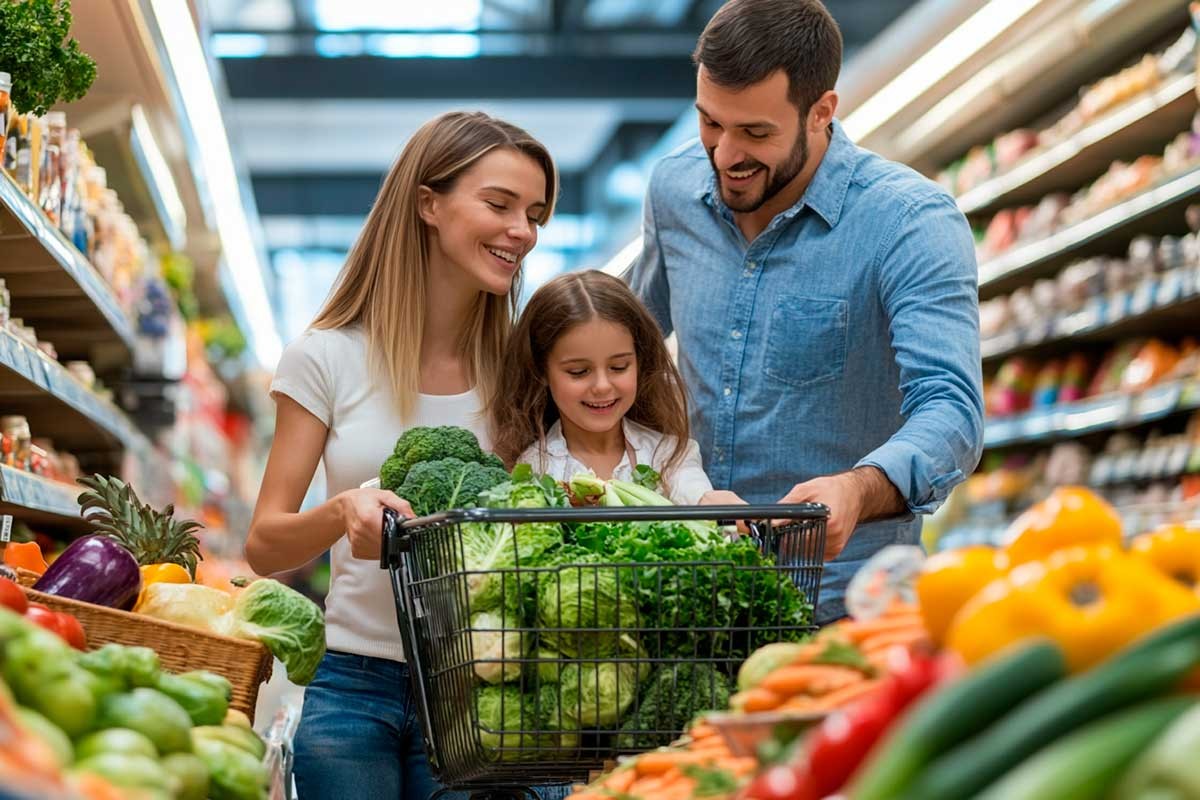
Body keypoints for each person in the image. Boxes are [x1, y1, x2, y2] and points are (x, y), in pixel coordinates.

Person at [625, 0, 985, 623]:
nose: (723, 155)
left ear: (822, 111)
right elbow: (629, 342)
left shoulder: (909, 222)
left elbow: (953, 410)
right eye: (710, 122)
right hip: (695, 592)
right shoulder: (673, 191)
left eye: (756, 134)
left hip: (845, 602)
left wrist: (859, 488)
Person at [245, 111, 556, 799]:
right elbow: (265, 545)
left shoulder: (523, 367)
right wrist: (341, 510)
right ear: (428, 204)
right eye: (499, 204)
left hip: (482, 687)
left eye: (534, 214)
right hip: (353, 686)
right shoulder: (325, 357)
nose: (522, 232)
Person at [492, 270, 735, 505]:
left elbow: (694, 492)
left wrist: (709, 501)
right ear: (541, 371)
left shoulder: (670, 455)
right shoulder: (533, 468)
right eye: (579, 372)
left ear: (640, 362)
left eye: (618, 367)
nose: (602, 386)